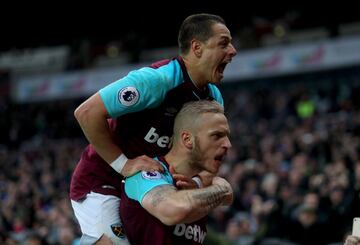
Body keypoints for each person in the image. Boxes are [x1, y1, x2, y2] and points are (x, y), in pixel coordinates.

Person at [70, 13, 237, 244]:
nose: (233, 50)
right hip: (102, 178)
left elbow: (210, 157)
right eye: (224, 43)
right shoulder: (157, 81)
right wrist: (124, 164)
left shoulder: (213, 99)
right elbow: (87, 113)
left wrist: (199, 181)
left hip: (154, 183)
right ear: (197, 47)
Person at [120, 100, 233, 244]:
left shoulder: (200, 184)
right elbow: (174, 210)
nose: (228, 144)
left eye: (227, 136)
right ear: (187, 139)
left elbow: (227, 194)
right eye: (217, 136)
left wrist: (204, 186)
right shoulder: (146, 174)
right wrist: (220, 190)